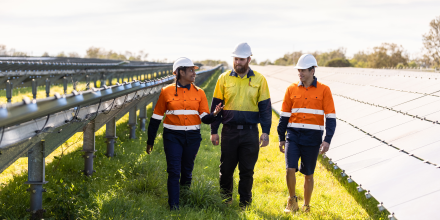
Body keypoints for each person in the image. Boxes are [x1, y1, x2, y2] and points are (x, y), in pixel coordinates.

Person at [146, 57, 223, 210]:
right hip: (172, 137)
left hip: (193, 138)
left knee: (187, 171)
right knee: (174, 171)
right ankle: (174, 205)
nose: (194, 73)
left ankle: (185, 197)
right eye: (191, 70)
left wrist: (214, 114)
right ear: (180, 72)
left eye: (194, 70)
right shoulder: (166, 91)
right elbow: (156, 118)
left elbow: (204, 118)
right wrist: (150, 140)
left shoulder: (199, 93)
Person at [210, 42, 272, 208]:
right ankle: (226, 200)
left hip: (250, 133)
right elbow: (215, 107)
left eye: (241, 59)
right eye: (236, 59)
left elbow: (265, 109)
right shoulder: (223, 79)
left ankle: (245, 203)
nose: (238, 62)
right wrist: (214, 130)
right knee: (226, 169)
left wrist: (265, 132)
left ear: (249, 59)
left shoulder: (260, 80)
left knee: (247, 171)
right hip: (229, 132)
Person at [277, 54, 336, 214]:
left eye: (303, 70)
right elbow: (284, 116)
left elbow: (331, 117)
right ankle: (292, 201)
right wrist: (281, 137)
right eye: (299, 70)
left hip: (313, 138)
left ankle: (306, 206)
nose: (300, 73)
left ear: (312, 70)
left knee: (308, 174)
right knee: (290, 168)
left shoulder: (324, 90)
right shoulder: (291, 89)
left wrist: (327, 140)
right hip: (293, 136)